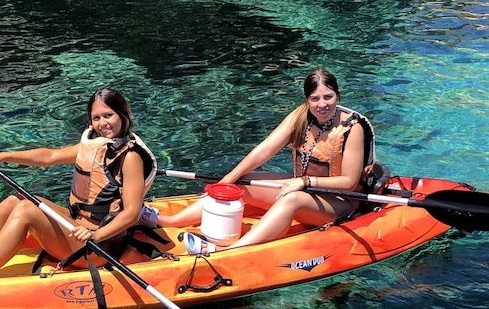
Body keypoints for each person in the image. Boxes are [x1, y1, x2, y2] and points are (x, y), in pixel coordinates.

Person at [0, 88, 157, 278]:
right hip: (79, 229)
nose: (103, 123)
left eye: (108, 115)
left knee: (26, 210)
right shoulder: (96, 147)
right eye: (96, 118)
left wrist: (95, 236)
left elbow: (132, 214)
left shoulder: (130, 157)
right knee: (19, 198)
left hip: (99, 246)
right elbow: (50, 156)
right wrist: (2, 156)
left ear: (123, 115)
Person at [142, 69, 375, 253]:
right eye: (315, 99)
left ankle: (232, 250)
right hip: (307, 190)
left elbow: (349, 181)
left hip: (342, 202)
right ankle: (170, 221)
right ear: (306, 100)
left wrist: (303, 181)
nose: (322, 104)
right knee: (242, 182)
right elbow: (264, 151)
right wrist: (228, 181)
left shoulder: (352, 129)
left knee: (292, 199)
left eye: (328, 97)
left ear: (338, 96)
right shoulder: (301, 116)